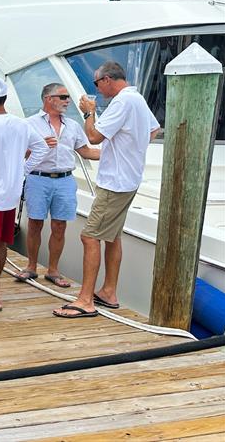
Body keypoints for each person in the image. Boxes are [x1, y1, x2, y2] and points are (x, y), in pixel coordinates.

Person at [54, 61, 160, 318]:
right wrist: (126, 149)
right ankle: (109, 291)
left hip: (115, 184)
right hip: (129, 180)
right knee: (112, 237)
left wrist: (89, 112)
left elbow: (93, 137)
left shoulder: (122, 102)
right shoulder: (136, 98)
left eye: (96, 83)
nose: (97, 89)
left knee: (89, 237)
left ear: (108, 79)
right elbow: (153, 131)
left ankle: (86, 300)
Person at [0, 77, 49, 312]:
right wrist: (22, 171)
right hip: (11, 194)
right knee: (2, 243)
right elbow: (42, 148)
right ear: (5, 98)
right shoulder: (22, 124)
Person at [18, 83, 100, 287]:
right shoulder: (29, 124)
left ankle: (53, 270)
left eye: (67, 97)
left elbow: (86, 152)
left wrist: (118, 153)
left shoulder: (72, 125)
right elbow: (18, 152)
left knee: (59, 226)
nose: (67, 101)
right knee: (35, 223)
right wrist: (38, 147)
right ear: (48, 99)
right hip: (38, 178)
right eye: (63, 97)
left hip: (65, 179)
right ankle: (31, 266)